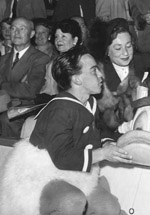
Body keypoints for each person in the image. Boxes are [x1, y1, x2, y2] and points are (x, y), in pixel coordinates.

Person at [0, 46, 132, 214]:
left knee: (109, 206)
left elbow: (99, 132)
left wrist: (108, 144)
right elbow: (62, 157)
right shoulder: (60, 109)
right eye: (93, 71)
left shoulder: (90, 103)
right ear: (76, 80)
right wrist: (103, 154)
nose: (100, 76)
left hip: (76, 171)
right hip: (43, 174)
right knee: (72, 200)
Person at [0, 17, 50, 138]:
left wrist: (2, 84)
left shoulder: (40, 58)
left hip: (28, 106)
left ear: (32, 34)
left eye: (22, 29)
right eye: (13, 28)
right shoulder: (3, 59)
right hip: (3, 102)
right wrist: (19, 85)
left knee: (7, 119)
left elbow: (31, 91)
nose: (16, 32)